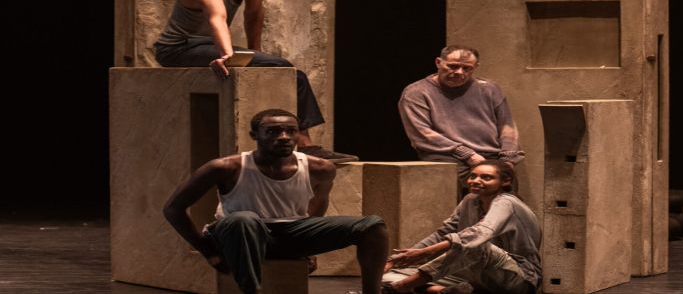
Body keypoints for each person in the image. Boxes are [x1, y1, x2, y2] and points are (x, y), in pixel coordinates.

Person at [154, 0, 356, 162]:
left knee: (293, 74)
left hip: (207, 45)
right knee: (282, 65)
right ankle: (304, 145)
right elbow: (216, 17)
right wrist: (227, 55)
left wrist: (255, 52)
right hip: (177, 48)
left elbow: (253, 14)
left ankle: (306, 144)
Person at [163, 108, 389, 294]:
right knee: (244, 220)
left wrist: (310, 248)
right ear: (254, 135)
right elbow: (173, 209)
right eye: (273, 131)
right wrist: (206, 250)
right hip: (238, 234)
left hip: (289, 232)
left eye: (291, 131)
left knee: (372, 226)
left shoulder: (320, 168)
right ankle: (251, 290)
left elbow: (317, 207)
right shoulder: (226, 167)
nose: (284, 137)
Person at [381, 160, 541, 294]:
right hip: (474, 275)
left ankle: (403, 287)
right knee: (386, 277)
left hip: (518, 277)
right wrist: (395, 261)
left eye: (486, 177)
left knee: (476, 244)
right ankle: (444, 290)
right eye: (473, 176)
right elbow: (441, 234)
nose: (476, 180)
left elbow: (480, 234)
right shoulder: (470, 201)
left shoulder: (507, 202)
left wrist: (427, 252)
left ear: (505, 181)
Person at [398, 46, 524, 184]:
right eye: (453, 66)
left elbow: (507, 127)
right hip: (447, 157)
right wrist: (467, 154)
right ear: (438, 62)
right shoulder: (417, 92)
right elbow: (422, 134)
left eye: (467, 68)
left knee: (506, 189)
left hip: (492, 156)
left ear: (475, 67)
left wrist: (507, 160)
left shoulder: (489, 88)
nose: (459, 72)